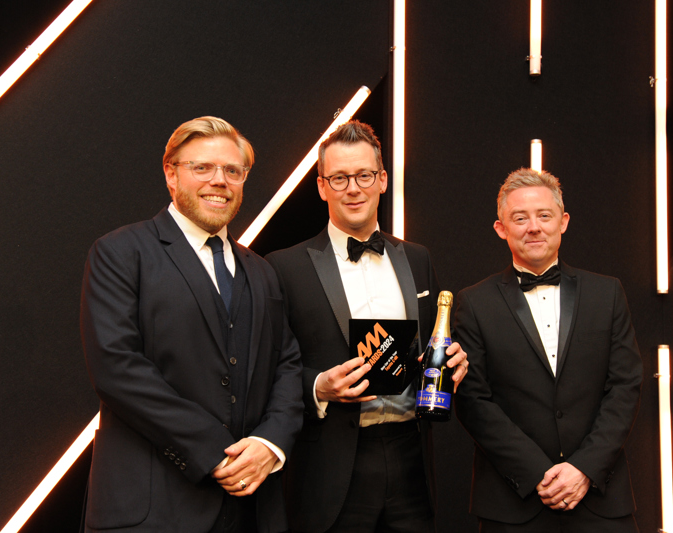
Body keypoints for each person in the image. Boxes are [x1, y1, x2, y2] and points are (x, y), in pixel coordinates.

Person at [80, 116, 303, 533]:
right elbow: (116, 367)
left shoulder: (262, 270)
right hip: (152, 511)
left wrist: (269, 443)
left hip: (253, 510)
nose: (219, 180)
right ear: (170, 174)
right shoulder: (119, 252)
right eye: (202, 167)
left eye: (232, 171)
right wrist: (216, 451)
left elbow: (287, 364)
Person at [264, 120, 468, 533]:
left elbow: (433, 346)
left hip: (412, 455)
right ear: (322, 186)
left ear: (382, 181)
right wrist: (318, 386)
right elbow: (267, 368)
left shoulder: (418, 258)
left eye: (363, 175)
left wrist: (452, 363)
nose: (352, 188)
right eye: (339, 178)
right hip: (330, 464)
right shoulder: (284, 267)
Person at [453, 168, 643, 532]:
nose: (533, 227)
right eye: (520, 218)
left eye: (544, 215)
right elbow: (473, 400)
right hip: (514, 503)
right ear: (501, 228)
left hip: (601, 498)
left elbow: (625, 387)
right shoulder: (474, 303)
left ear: (563, 221)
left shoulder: (608, 293)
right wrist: (539, 474)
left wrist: (584, 468)